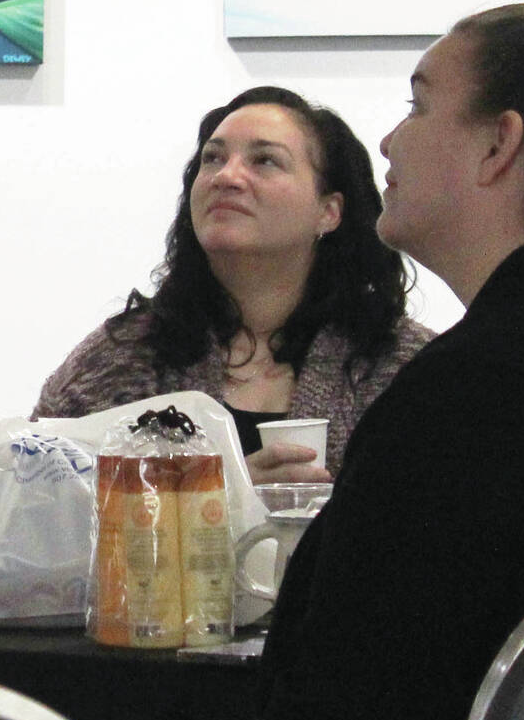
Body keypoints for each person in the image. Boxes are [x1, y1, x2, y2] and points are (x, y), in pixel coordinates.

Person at [258, 4, 524, 720]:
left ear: (498, 145)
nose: (388, 140)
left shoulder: (473, 399)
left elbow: (341, 690)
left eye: (417, 105)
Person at [34, 86, 430, 480]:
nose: (227, 176)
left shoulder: (406, 368)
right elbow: (34, 501)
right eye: (213, 158)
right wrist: (227, 496)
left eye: (265, 161)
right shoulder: (120, 358)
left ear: (328, 212)